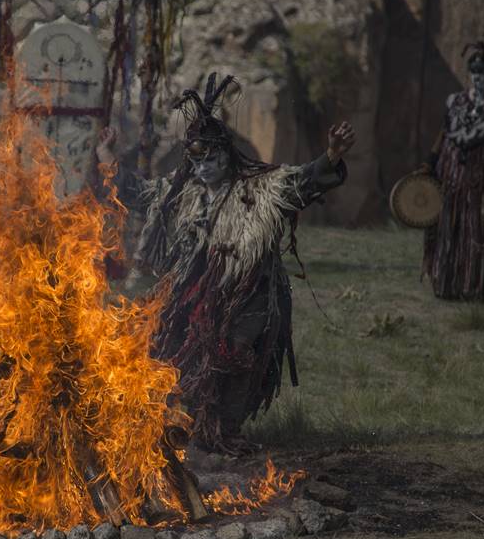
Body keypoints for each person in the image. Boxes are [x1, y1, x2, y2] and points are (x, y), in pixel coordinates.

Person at [97, 73, 355, 454]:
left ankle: (224, 433)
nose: (203, 166)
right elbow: (138, 194)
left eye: (211, 157)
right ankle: (186, 428)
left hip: (247, 294)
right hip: (193, 293)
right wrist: (108, 161)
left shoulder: (262, 188)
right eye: (196, 159)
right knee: (173, 353)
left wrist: (331, 155)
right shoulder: (180, 192)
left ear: (227, 153)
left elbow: (302, 182)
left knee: (233, 358)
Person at [420, 31, 484, 300]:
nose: (479, 77)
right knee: (449, 230)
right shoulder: (456, 102)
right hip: (451, 179)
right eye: (475, 72)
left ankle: (483, 288)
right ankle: (448, 285)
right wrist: (430, 162)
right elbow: (443, 133)